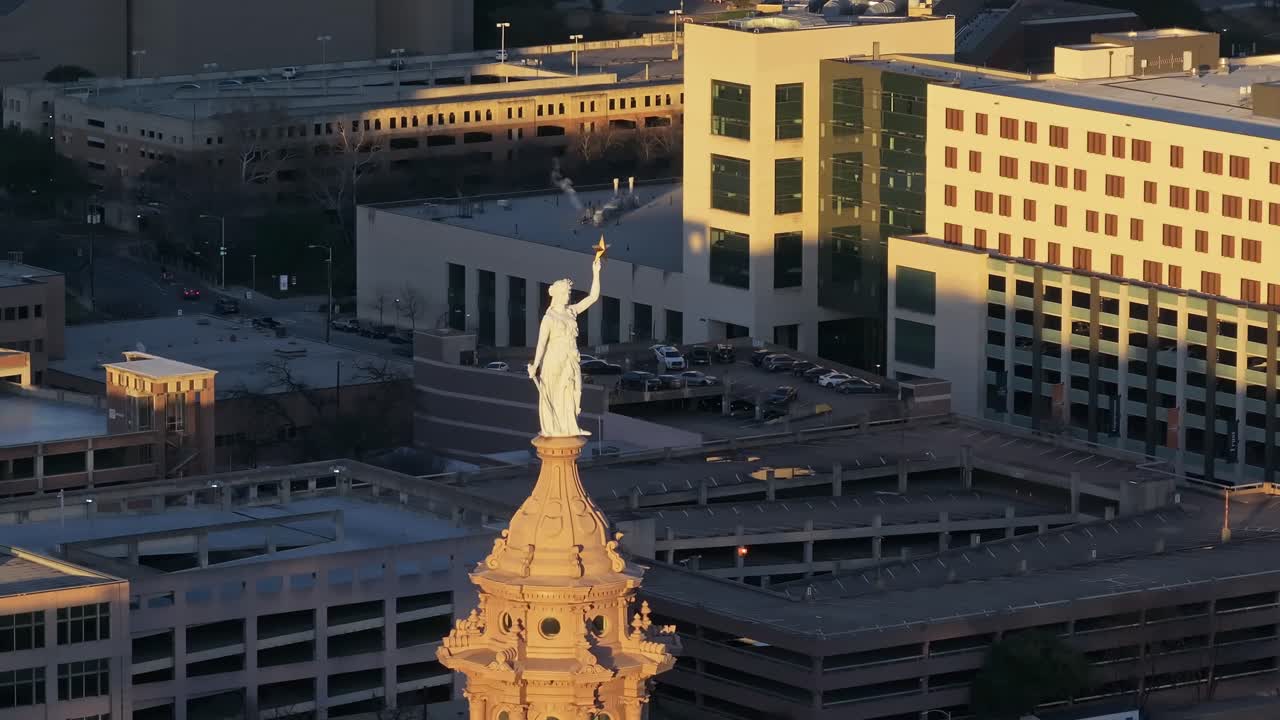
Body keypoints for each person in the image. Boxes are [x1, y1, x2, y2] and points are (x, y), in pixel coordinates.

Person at [528, 255, 602, 436]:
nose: (568, 296)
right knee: (555, 394)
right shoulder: (549, 318)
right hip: (554, 359)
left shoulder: (571, 312)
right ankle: (556, 428)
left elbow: (593, 297)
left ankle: (571, 426)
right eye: (566, 293)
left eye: (569, 294)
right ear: (559, 295)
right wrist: (535, 365)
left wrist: (596, 273)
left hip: (570, 357)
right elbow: (541, 344)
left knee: (574, 390)